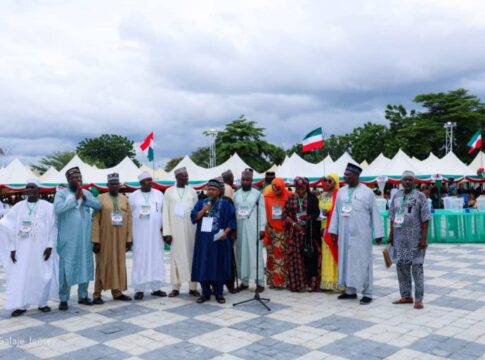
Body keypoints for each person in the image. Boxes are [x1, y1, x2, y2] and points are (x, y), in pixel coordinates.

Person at [0, 179, 58, 317]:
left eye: (33, 187)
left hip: (42, 249)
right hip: (23, 250)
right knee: (23, 276)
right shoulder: (18, 207)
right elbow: (8, 227)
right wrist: (12, 248)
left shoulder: (48, 207)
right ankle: (22, 304)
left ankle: (42, 303)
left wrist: (50, 246)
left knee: (43, 275)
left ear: (38, 190)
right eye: (27, 188)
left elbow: (53, 227)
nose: (29, 190)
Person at [329, 163, 383, 305]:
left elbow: (375, 214)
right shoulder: (341, 191)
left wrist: (378, 233)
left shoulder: (367, 192)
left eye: (348, 175)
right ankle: (350, 291)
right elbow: (335, 212)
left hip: (361, 236)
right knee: (346, 262)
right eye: (344, 174)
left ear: (356, 176)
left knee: (363, 263)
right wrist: (333, 231)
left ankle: (367, 293)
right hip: (344, 235)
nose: (345, 177)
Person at [54, 167, 101, 310]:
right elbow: (58, 209)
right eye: (75, 178)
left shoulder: (86, 192)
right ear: (69, 180)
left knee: (85, 265)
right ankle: (63, 298)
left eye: (80, 178)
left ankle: (83, 295)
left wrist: (84, 197)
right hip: (68, 240)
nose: (78, 180)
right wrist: (75, 198)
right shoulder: (61, 194)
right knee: (66, 268)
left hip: (84, 239)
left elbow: (98, 205)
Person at [388, 170, 431, 310]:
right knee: (402, 267)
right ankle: (406, 296)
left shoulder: (420, 196)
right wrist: (391, 235)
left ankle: (418, 300)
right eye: (405, 179)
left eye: (410, 180)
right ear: (401, 181)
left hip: (415, 240)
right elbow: (392, 217)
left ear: (414, 181)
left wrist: (423, 239)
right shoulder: (396, 196)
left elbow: (426, 219)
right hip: (400, 240)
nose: (407, 182)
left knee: (417, 268)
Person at [191, 179, 236, 304]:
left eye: (213, 190)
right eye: (208, 189)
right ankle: (205, 292)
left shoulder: (226, 204)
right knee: (203, 265)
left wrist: (225, 234)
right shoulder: (201, 203)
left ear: (219, 191)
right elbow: (194, 217)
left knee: (218, 265)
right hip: (203, 242)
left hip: (219, 242)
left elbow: (232, 222)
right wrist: (204, 210)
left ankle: (219, 293)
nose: (210, 192)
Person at [91, 173, 132, 304]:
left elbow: (129, 220)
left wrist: (128, 238)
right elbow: (95, 220)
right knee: (102, 264)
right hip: (105, 238)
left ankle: (117, 292)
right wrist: (96, 240)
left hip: (120, 239)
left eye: (117, 184)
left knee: (119, 264)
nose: (115, 186)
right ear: (108, 185)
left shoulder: (124, 199)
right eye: (112, 184)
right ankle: (97, 294)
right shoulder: (100, 198)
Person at [162, 167, 200, 297]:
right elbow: (165, 213)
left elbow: (197, 211)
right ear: (177, 178)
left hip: (191, 230)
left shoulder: (192, 191)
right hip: (175, 230)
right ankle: (175, 287)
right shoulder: (168, 192)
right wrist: (167, 232)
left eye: (187, 176)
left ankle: (193, 287)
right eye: (184, 176)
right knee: (176, 258)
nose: (186, 178)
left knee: (192, 257)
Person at [129, 172, 166, 300]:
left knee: (156, 259)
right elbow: (128, 216)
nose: (150, 182)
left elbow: (164, 213)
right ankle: (139, 289)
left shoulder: (159, 194)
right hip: (139, 234)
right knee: (140, 260)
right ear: (141, 183)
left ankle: (156, 288)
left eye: (151, 180)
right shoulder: (133, 196)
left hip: (155, 234)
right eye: (147, 180)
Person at [283, 177, 321, 292]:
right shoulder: (290, 198)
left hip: (309, 233)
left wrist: (308, 218)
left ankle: (311, 284)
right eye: (297, 187)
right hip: (295, 233)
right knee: (296, 259)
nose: (299, 190)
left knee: (310, 257)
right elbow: (284, 215)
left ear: (306, 186)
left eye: (302, 187)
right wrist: (295, 224)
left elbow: (316, 213)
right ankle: (298, 285)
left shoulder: (312, 198)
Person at [233, 169, 266, 292]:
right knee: (241, 255)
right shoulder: (236, 194)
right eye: (243, 179)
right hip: (240, 228)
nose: (245, 182)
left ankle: (260, 282)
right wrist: (233, 230)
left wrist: (262, 228)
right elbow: (233, 213)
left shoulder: (258, 195)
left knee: (255, 254)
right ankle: (244, 281)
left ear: (252, 181)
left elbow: (262, 213)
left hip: (254, 229)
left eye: (248, 180)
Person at [263, 177, 291, 289]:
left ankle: (281, 282)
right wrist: (267, 227)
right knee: (271, 257)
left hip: (284, 231)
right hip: (270, 230)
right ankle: (272, 282)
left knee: (282, 258)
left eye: (279, 188)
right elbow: (263, 213)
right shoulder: (266, 197)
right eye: (274, 187)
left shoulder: (289, 196)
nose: (276, 190)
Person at [319, 173, 340, 291]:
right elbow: (318, 211)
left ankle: (337, 283)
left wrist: (330, 212)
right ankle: (327, 283)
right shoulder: (322, 195)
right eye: (325, 180)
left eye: (329, 181)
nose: (326, 183)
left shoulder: (339, 195)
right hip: (323, 228)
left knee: (334, 255)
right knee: (326, 256)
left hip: (333, 230)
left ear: (335, 183)